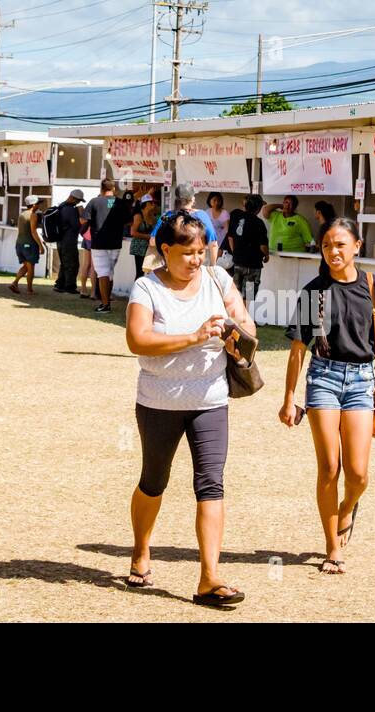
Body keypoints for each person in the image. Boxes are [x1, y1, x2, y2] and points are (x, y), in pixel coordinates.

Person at [125, 210, 255, 607]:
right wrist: (194, 337)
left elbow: (249, 329)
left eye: (201, 251)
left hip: (211, 401)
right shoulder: (146, 288)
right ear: (166, 250)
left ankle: (209, 577)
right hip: (159, 402)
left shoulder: (218, 280)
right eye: (188, 253)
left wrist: (237, 341)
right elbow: (138, 340)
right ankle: (141, 550)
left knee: (211, 484)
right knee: (154, 480)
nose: (197, 260)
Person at [279, 218, 375, 575]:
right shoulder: (313, 291)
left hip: (364, 381)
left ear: (357, 246)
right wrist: (289, 397)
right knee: (329, 468)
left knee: (359, 473)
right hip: (324, 378)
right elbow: (298, 348)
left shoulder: (374, 286)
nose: (333, 252)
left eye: (339, 245)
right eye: (326, 246)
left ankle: (347, 507)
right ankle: (332, 547)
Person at [150, 184, 219, 264]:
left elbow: (152, 241)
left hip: (173, 264)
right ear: (192, 199)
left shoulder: (166, 216)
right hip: (195, 263)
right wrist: (213, 266)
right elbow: (213, 244)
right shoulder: (201, 215)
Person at [91, 191, 135, 313]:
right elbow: (130, 222)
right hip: (115, 243)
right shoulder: (120, 204)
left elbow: (84, 220)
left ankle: (105, 304)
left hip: (100, 243)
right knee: (108, 273)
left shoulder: (96, 202)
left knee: (103, 273)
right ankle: (105, 300)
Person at [226, 194, 269, 306]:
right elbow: (263, 247)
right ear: (259, 208)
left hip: (237, 263)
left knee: (236, 293)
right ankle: (244, 317)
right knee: (248, 295)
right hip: (253, 265)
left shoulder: (236, 216)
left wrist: (235, 252)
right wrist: (267, 255)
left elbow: (230, 237)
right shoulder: (259, 223)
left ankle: (237, 317)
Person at [50, 189, 84, 294]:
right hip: (68, 241)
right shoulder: (70, 210)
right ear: (73, 198)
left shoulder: (61, 206)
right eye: (78, 200)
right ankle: (70, 287)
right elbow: (76, 226)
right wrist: (81, 215)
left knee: (64, 263)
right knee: (72, 263)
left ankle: (60, 284)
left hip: (60, 240)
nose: (78, 202)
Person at [10, 196, 45, 295]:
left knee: (25, 266)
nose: (39, 205)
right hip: (29, 245)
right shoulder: (33, 215)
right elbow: (34, 232)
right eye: (38, 204)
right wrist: (41, 246)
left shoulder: (22, 214)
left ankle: (15, 283)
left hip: (19, 244)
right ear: (34, 205)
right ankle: (29, 290)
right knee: (31, 268)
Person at [129, 198, 157, 276]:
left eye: (153, 202)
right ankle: (137, 287)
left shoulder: (152, 215)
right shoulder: (138, 215)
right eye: (151, 202)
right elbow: (133, 232)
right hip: (139, 247)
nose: (153, 204)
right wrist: (148, 237)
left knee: (150, 272)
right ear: (145, 204)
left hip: (149, 247)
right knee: (140, 272)